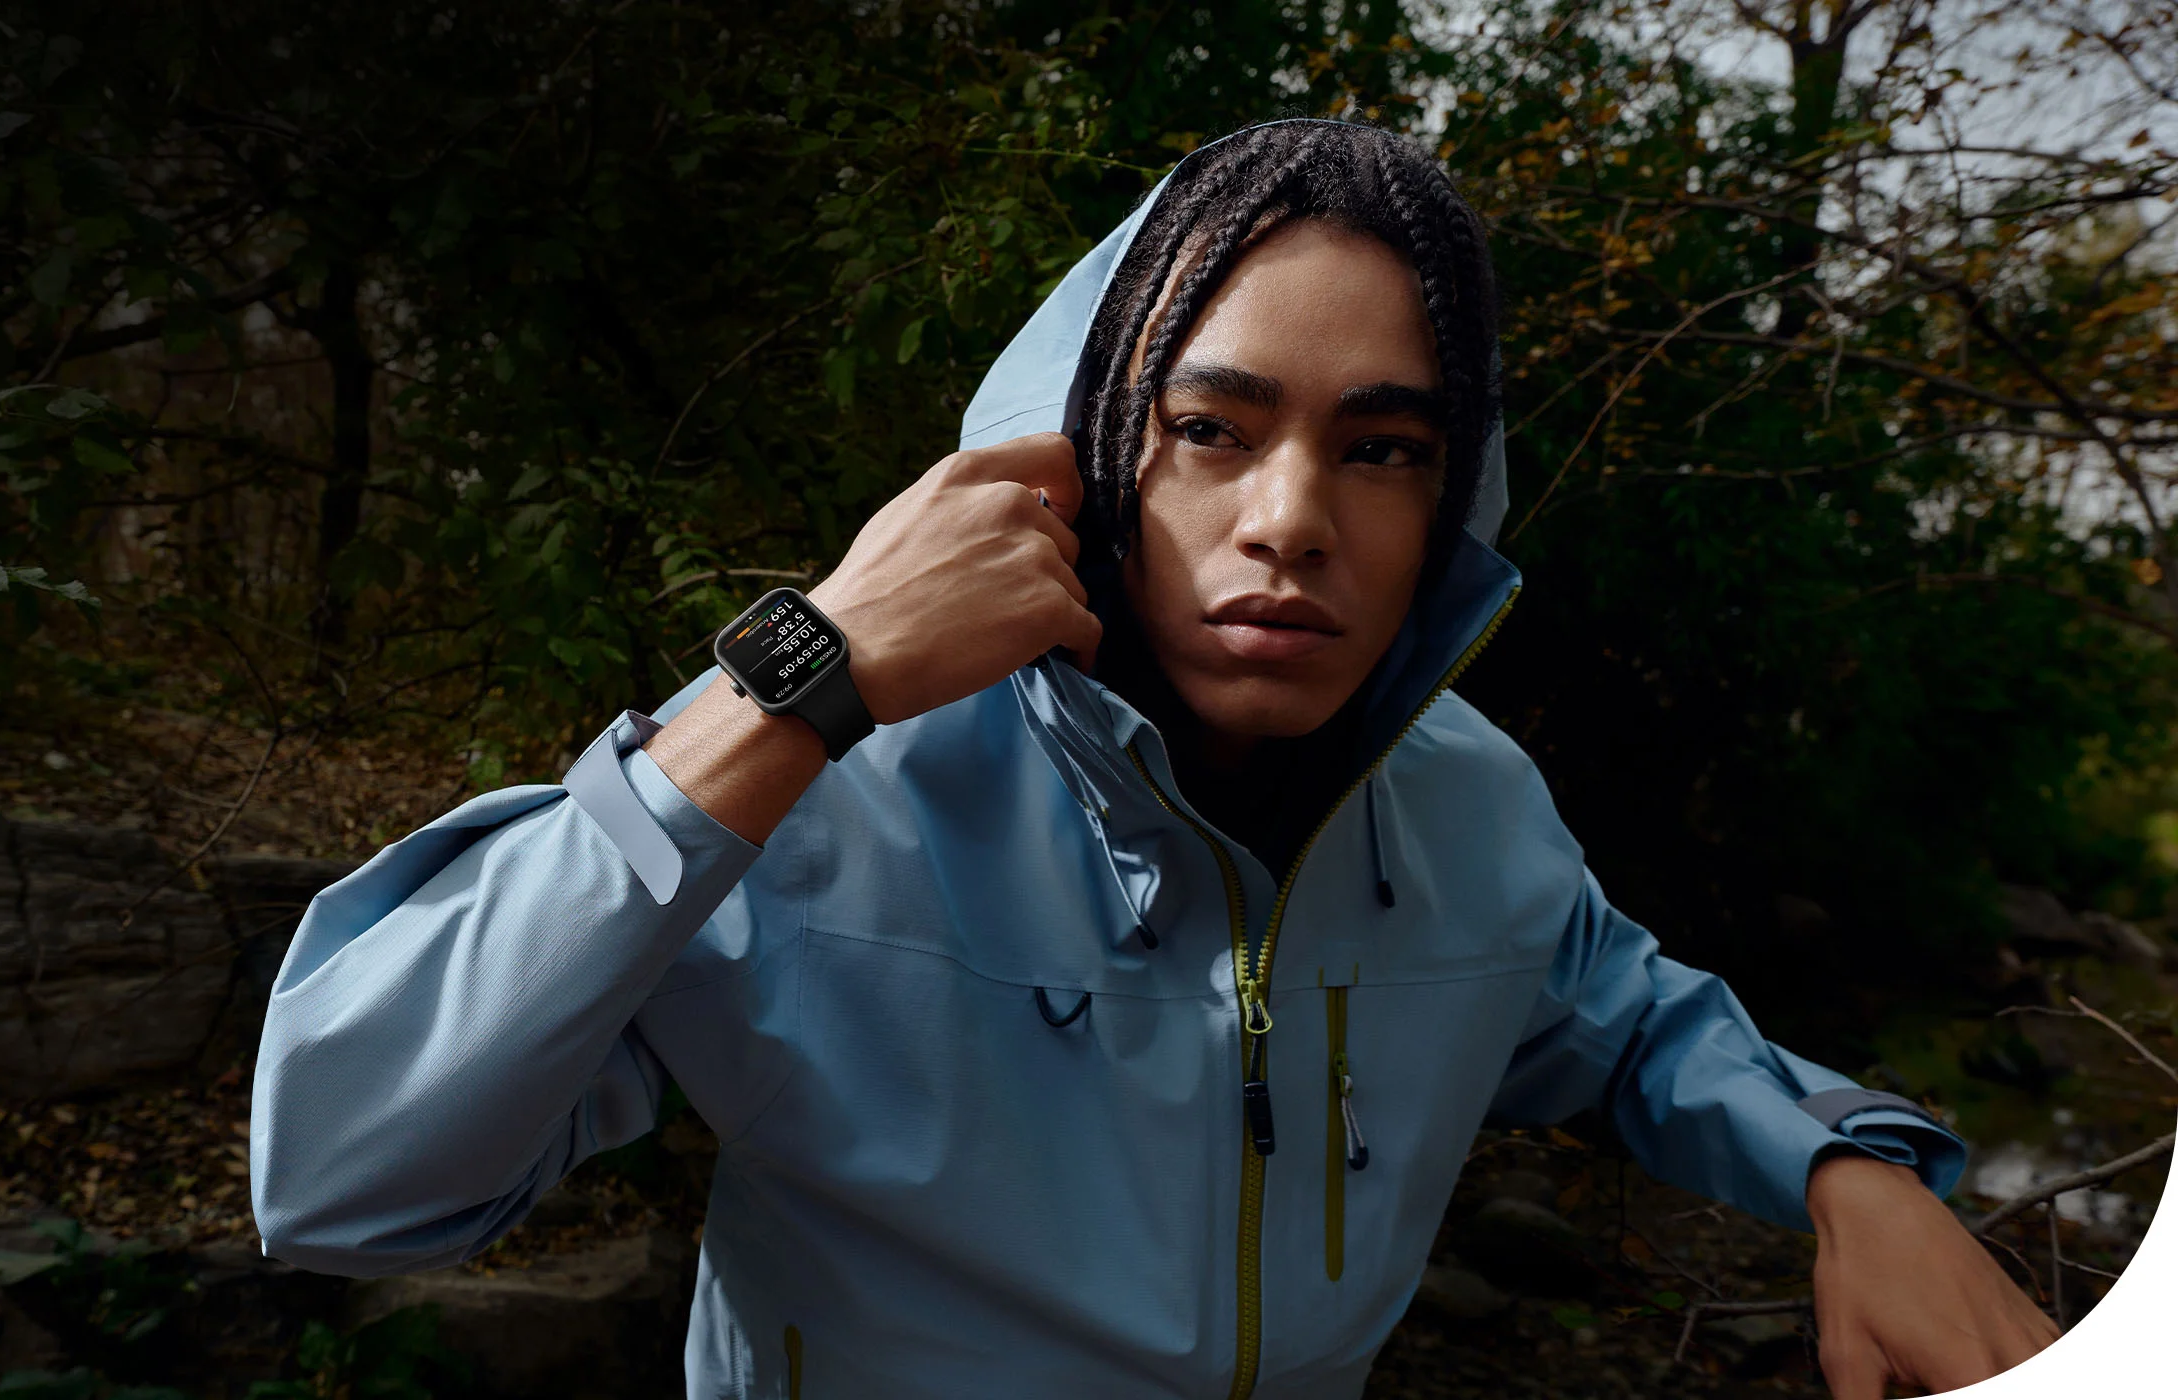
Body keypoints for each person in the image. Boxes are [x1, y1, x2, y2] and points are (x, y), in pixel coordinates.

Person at [250, 120, 2059, 1398]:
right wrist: (798, 682)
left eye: (1384, 449)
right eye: (1212, 427)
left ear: (1451, 509)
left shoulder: (1468, 806)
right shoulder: (824, 799)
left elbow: (1639, 1023)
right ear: (1088, 451)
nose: (1292, 519)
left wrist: (1849, 1168)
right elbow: (339, 1181)